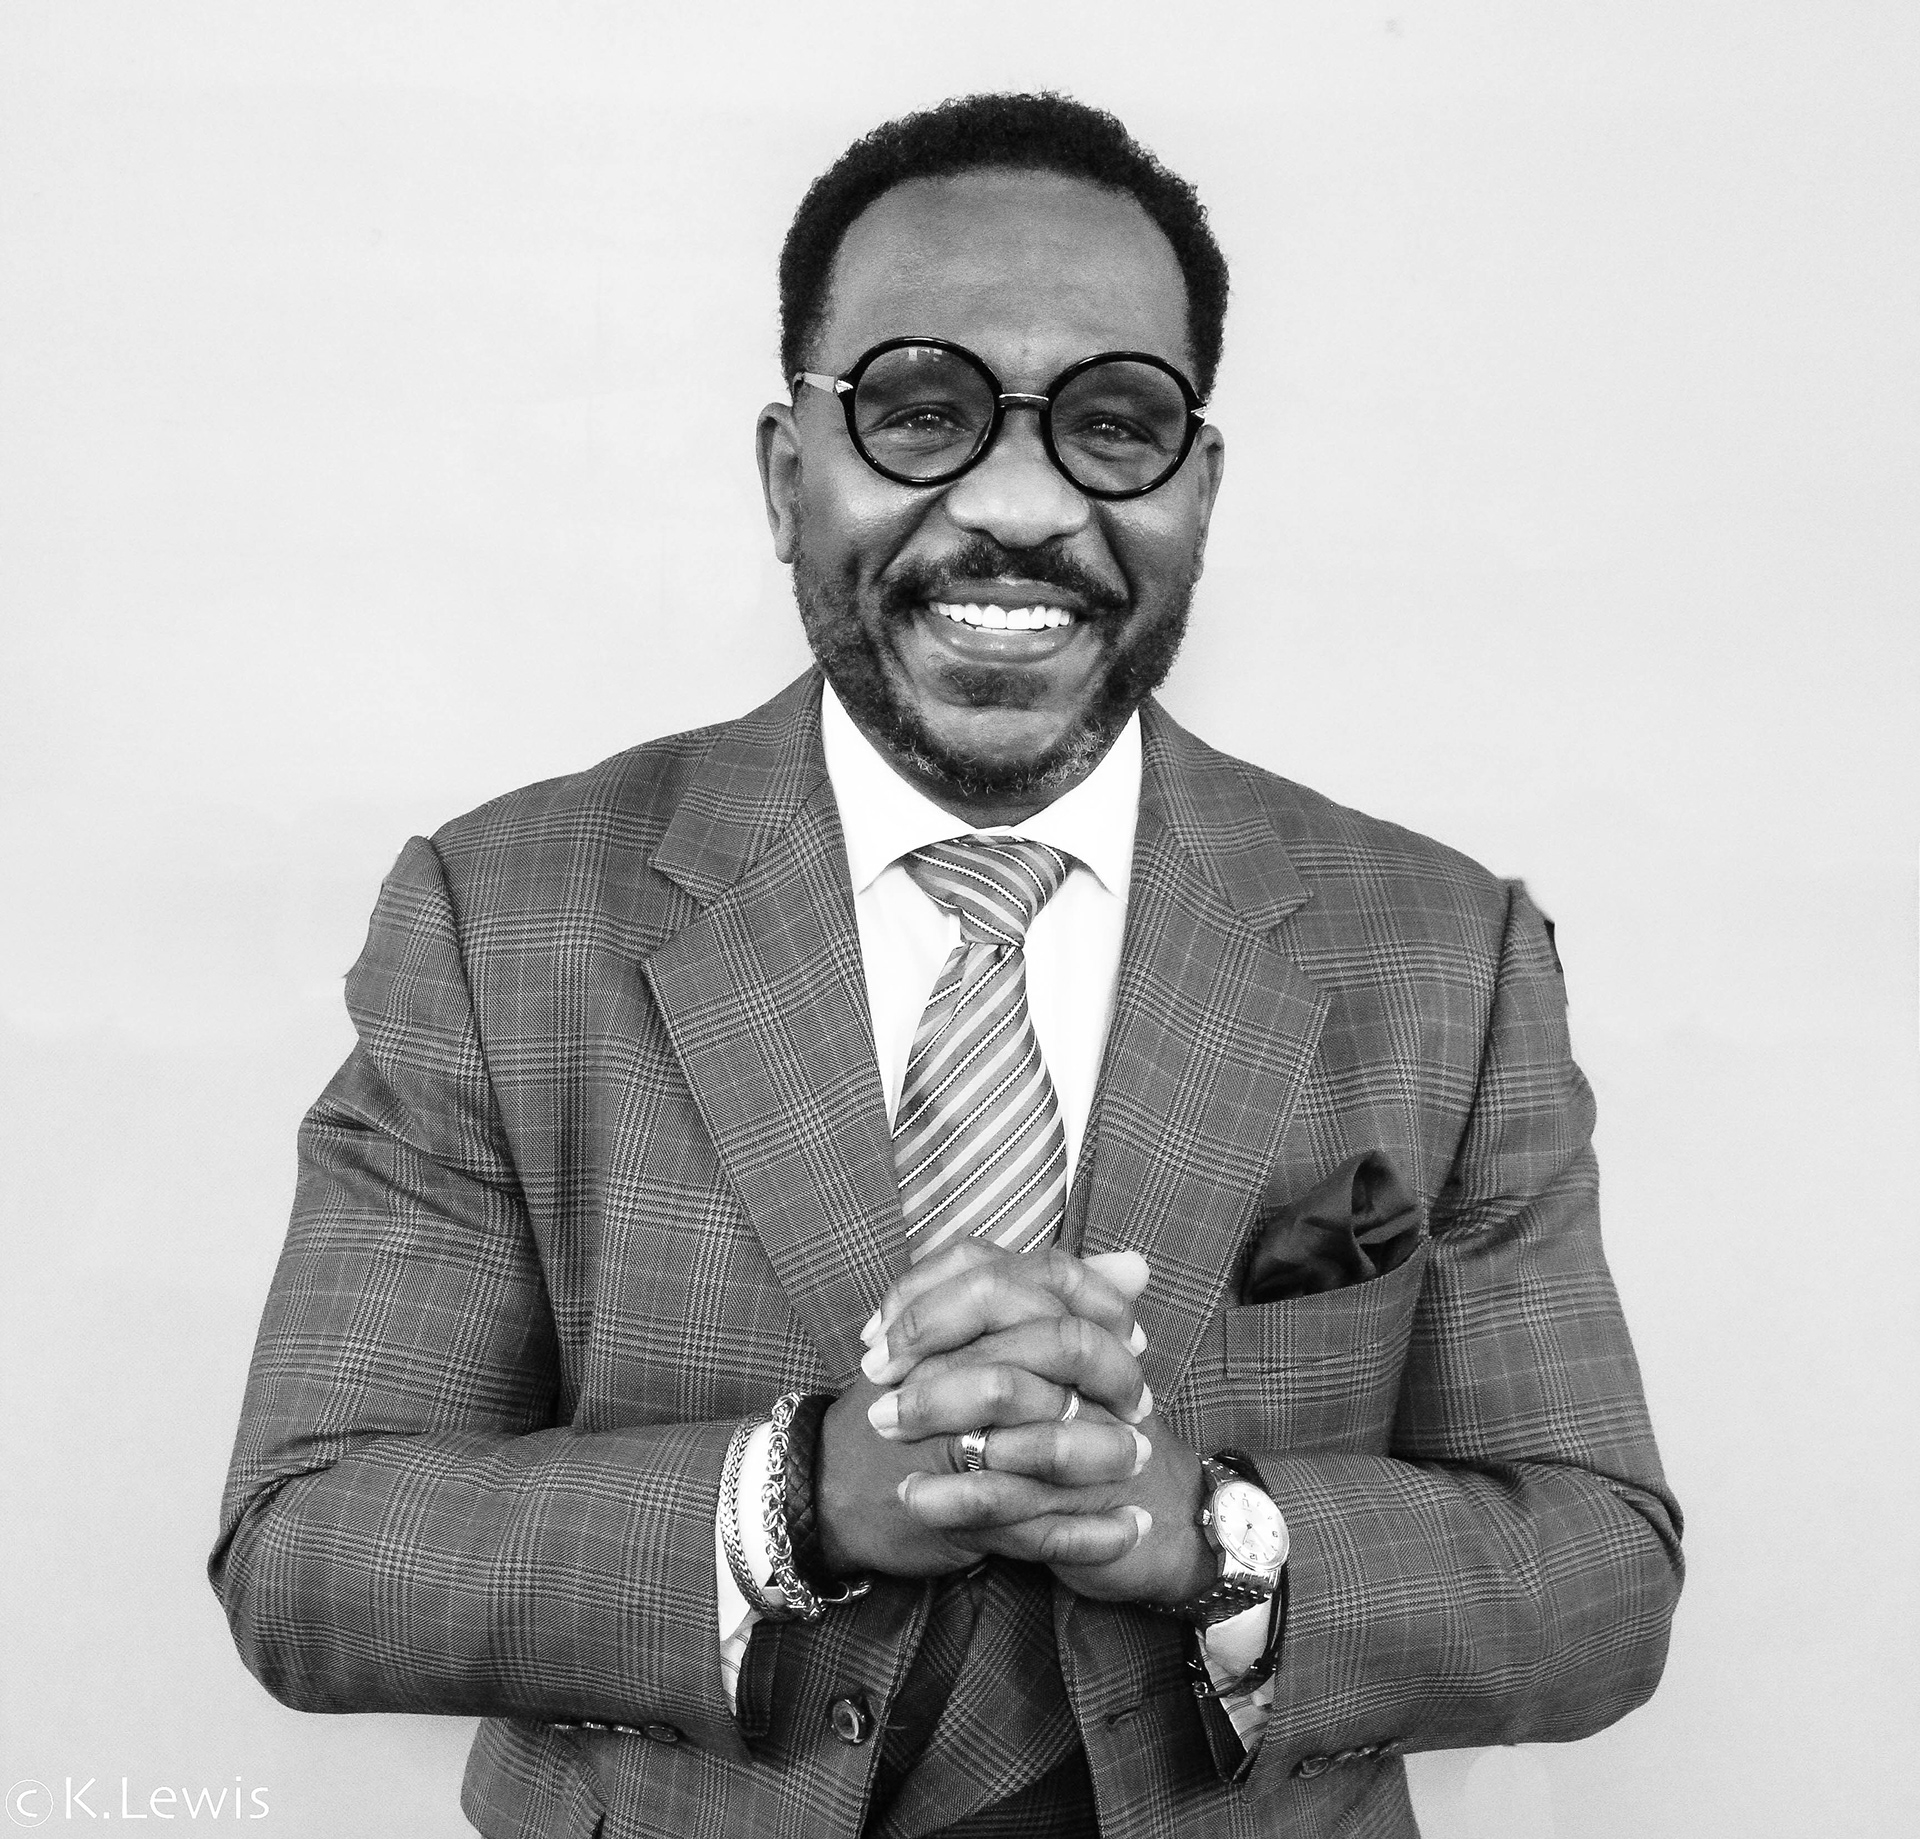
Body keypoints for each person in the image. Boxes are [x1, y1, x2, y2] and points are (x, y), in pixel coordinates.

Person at [211, 93, 1682, 1839]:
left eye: (1114, 426)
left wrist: (1212, 1537)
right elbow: (310, 1548)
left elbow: (1600, 1580)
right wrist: (790, 1504)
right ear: (789, 478)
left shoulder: (1446, 953)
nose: (1018, 504)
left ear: (1200, 490)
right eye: (921, 411)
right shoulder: (500, 916)